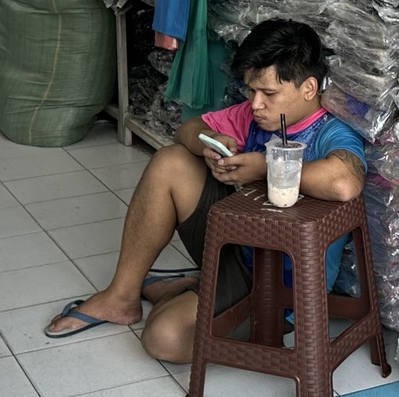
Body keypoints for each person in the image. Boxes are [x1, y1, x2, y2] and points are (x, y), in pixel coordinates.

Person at [43, 18, 367, 363]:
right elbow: (187, 130)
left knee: (165, 339)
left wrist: (265, 165)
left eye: (269, 94)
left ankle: (184, 290)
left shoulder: (331, 133)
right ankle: (121, 296)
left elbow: (344, 182)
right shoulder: (251, 116)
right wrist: (210, 143)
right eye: (251, 91)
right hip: (237, 249)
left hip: (281, 289)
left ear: (309, 88)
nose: (256, 104)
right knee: (171, 162)